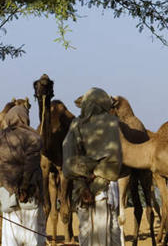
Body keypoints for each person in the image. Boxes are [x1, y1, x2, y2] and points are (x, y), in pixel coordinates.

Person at [62, 88, 122, 246]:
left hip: (82, 190)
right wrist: (95, 172)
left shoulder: (76, 124)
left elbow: (69, 161)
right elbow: (114, 160)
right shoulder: (112, 122)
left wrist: (84, 180)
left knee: (86, 233)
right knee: (109, 232)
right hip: (104, 189)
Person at [0, 105, 45, 246]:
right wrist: (24, 187)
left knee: (10, 241)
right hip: (30, 198)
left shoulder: (1, 137)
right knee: (32, 239)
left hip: (8, 198)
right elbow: (31, 164)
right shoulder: (34, 137)